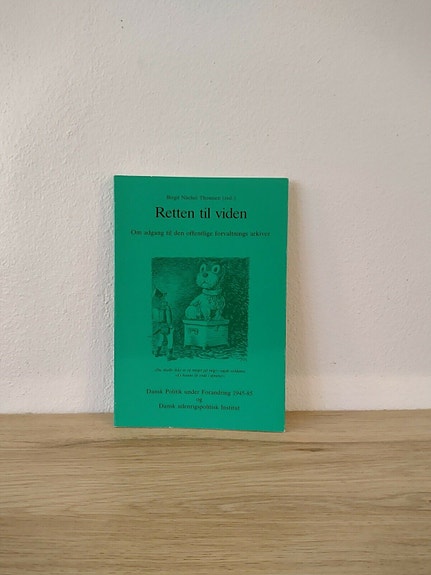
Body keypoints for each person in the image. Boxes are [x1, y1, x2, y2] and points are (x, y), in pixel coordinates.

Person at [152, 288, 174, 360]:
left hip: (161, 325)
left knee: (161, 339)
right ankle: (169, 355)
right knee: (170, 339)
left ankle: (156, 352)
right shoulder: (166, 307)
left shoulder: (159, 306)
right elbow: (168, 317)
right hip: (167, 325)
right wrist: (170, 325)